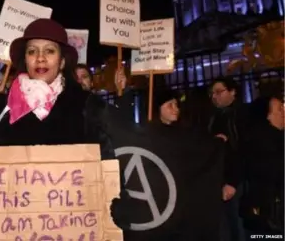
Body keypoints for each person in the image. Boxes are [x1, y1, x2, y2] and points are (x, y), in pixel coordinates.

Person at [0, 18, 130, 228]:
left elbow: (107, 163)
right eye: (32, 51)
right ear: (25, 60)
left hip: (72, 227)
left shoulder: (87, 106)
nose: (40, 58)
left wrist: (116, 202)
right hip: (12, 228)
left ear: (62, 61)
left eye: (49, 51)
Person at [110, 90, 225, 241]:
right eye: (170, 105)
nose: (175, 109)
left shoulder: (185, 133)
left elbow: (197, 155)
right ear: (158, 108)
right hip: (157, 206)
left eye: (176, 105)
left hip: (182, 210)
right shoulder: (147, 136)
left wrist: (216, 144)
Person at [208, 77, 249, 241]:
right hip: (220, 179)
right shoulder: (214, 117)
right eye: (212, 94)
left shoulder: (241, 115)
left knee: (238, 226)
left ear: (232, 92)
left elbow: (242, 151)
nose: (214, 97)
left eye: (219, 92)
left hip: (237, 181)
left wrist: (233, 181)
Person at [241, 96, 284, 237]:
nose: (284, 112)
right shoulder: (262, 140)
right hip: (270, 213)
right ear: (267, 116)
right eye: (280, 109)